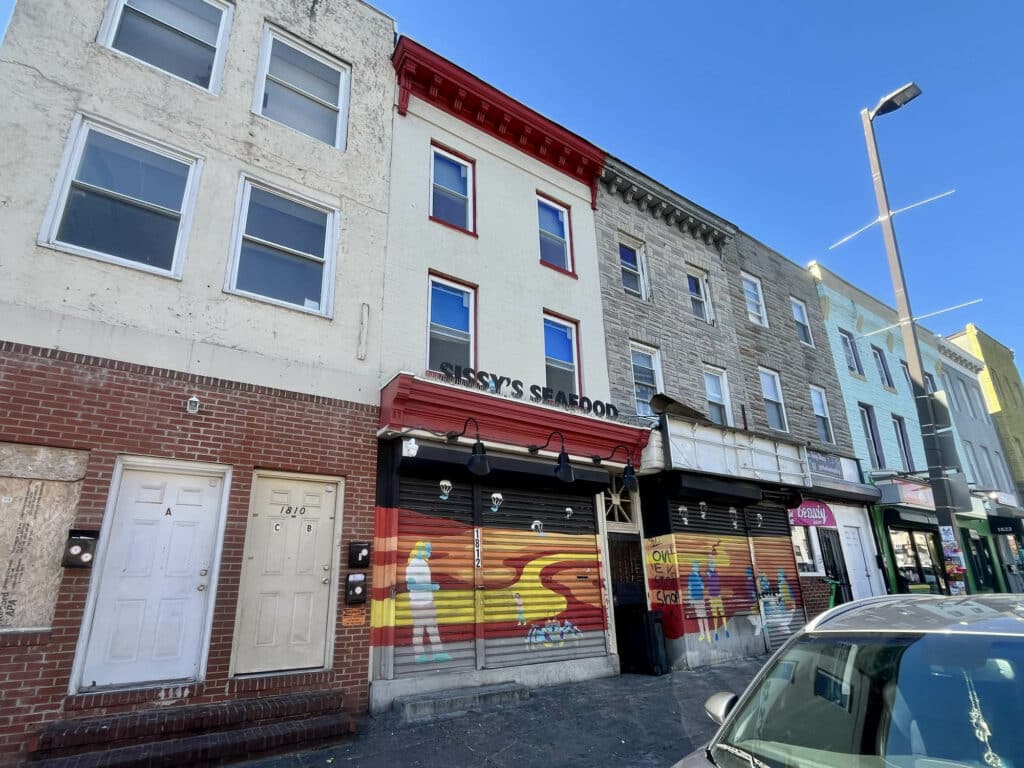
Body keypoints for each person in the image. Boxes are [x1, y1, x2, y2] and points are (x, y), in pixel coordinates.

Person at [406, 541, 450, 663]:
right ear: (419, 550)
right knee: (419, 630)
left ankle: (438, 653)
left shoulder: (424, 563)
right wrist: (431, 587)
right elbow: (411, 586)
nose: (430, 552)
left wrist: (431, 585)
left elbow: (422, 582)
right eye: (428, 550)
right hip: (418, 603)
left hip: (428, 601)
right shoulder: (413, 565)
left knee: (433, 628)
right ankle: (419, 655)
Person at [688, 560, 710, 642]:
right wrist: (690, 600)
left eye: (697, 566)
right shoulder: (691, 576)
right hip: (695, 599)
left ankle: (707, 633)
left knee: (704, 616)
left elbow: (703, 587)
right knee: (699, 617)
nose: (696, 567)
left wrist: (701, 583)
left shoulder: (700, 576)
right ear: (693, 567)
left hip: (701, 598)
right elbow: (690, 588)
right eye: (695, 566)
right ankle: (702, 633)